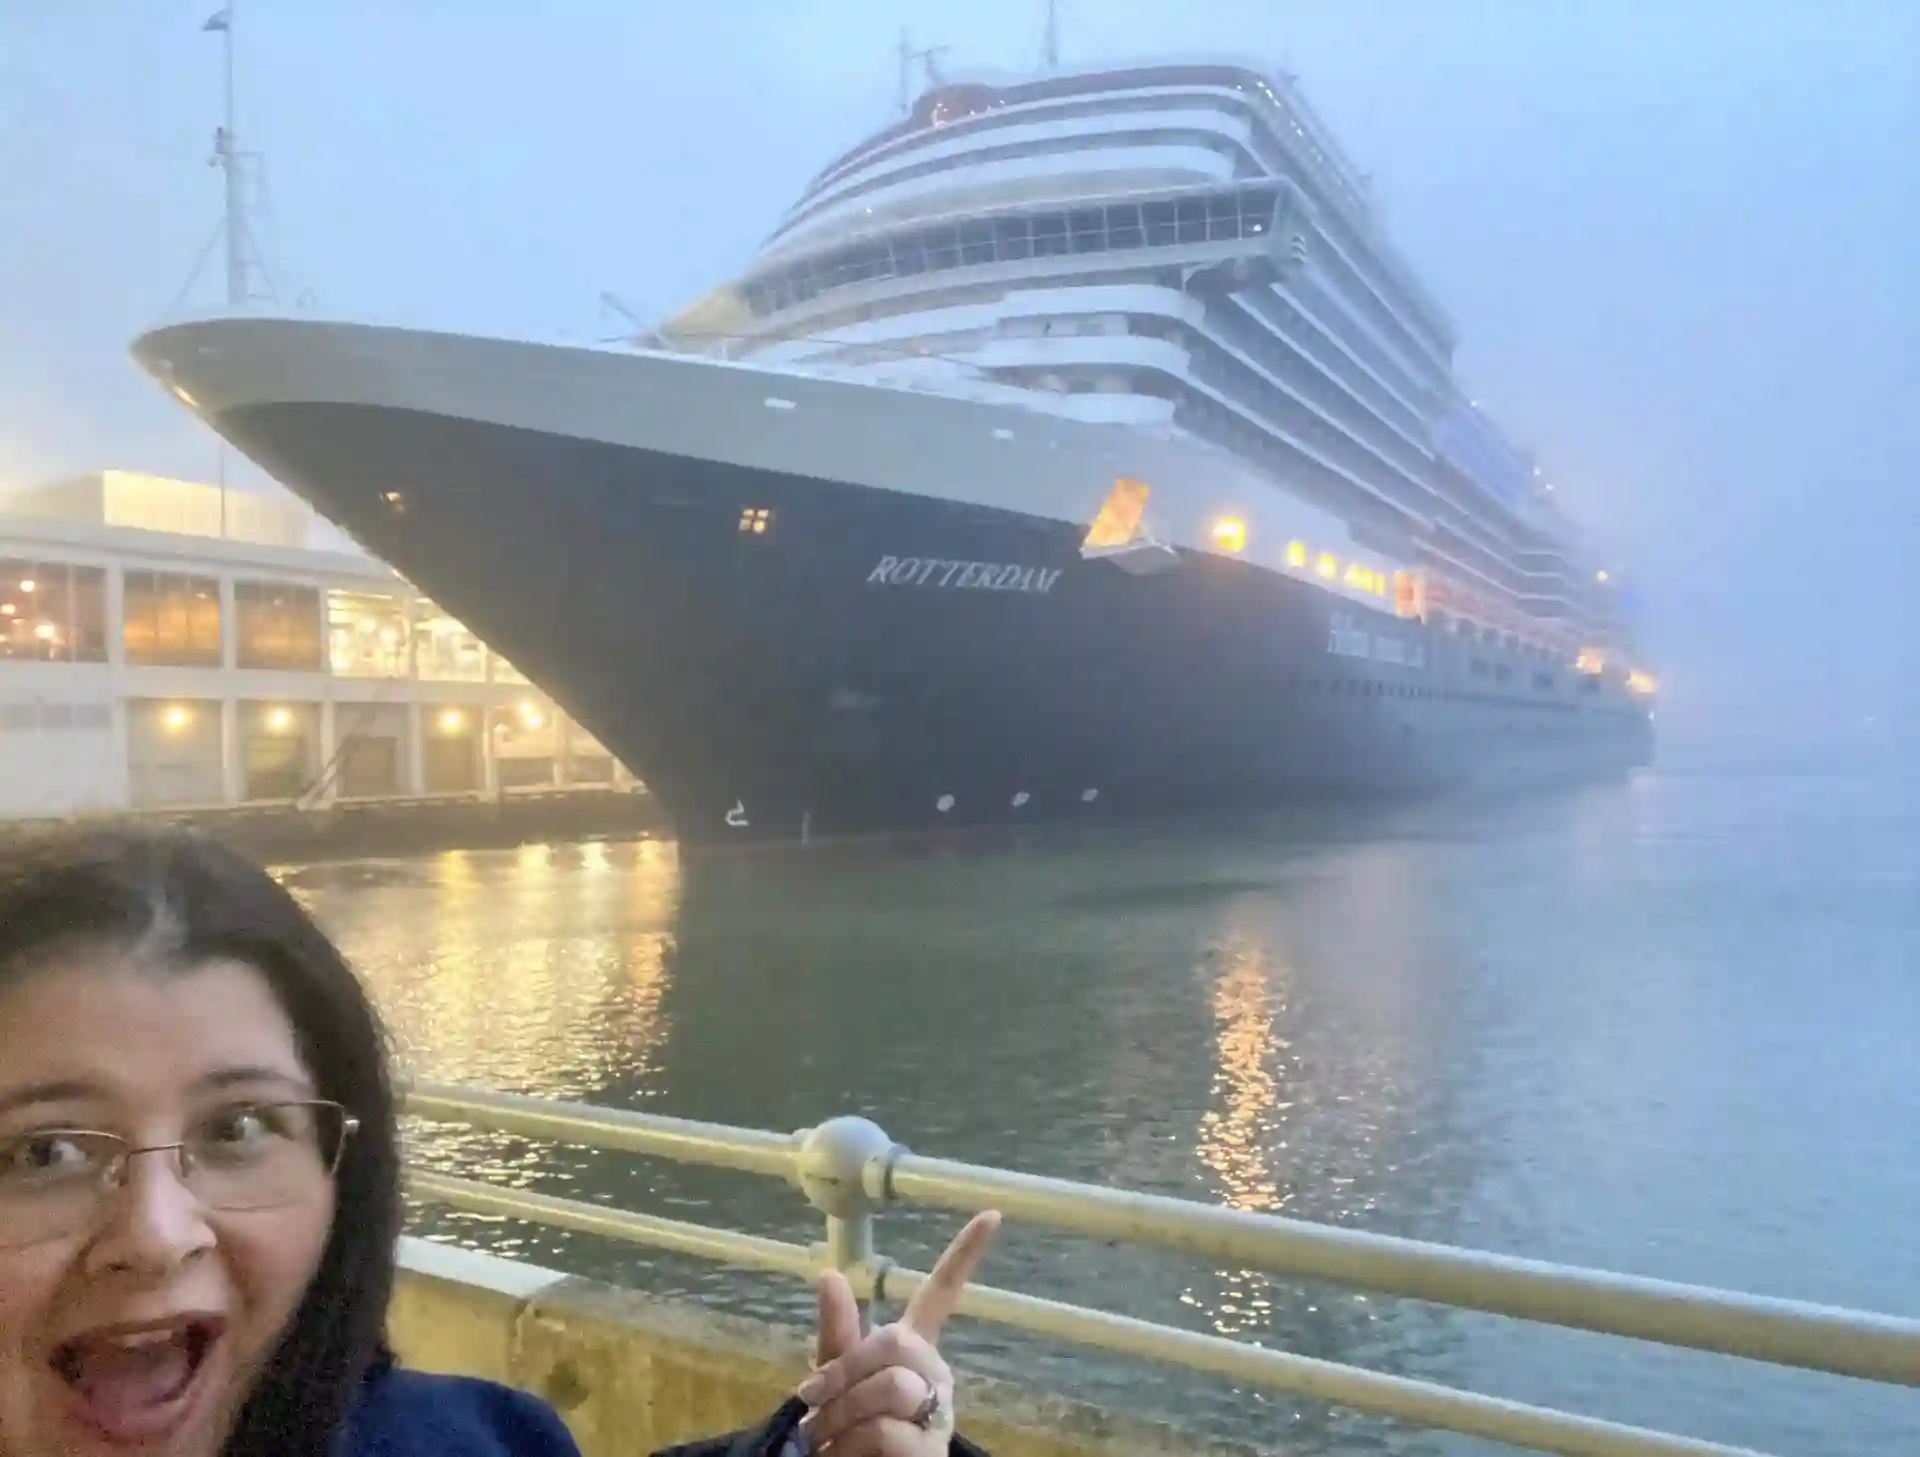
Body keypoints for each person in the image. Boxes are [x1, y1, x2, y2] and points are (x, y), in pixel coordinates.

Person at [0, 827, 998, 1457]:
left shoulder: (478, 1436)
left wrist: (836, 1436)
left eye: (239, 1126)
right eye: (46, 1150)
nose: (158, 1229)